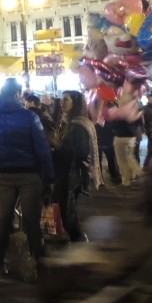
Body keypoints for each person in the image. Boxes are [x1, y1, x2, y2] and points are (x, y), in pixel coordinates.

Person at [0, 78, 54, 276]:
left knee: (4, 217)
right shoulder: (29, 117)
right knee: (31, 219)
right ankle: (39, 261)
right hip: (28, 173)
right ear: (18, 94)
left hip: (3, 173)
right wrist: (49, 177)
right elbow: (42, 149)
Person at [53, 91, 94, 241]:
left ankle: (79, 239)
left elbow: (82, 152)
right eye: (61, 100)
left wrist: (58, 147)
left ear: (74, 103)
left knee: (67, 209)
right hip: (65, 172)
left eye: (66, 100)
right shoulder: (68, 122)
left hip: (72, 173)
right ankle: (76, 238)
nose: (61, 103)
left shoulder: (78, 125)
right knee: (66, 208)